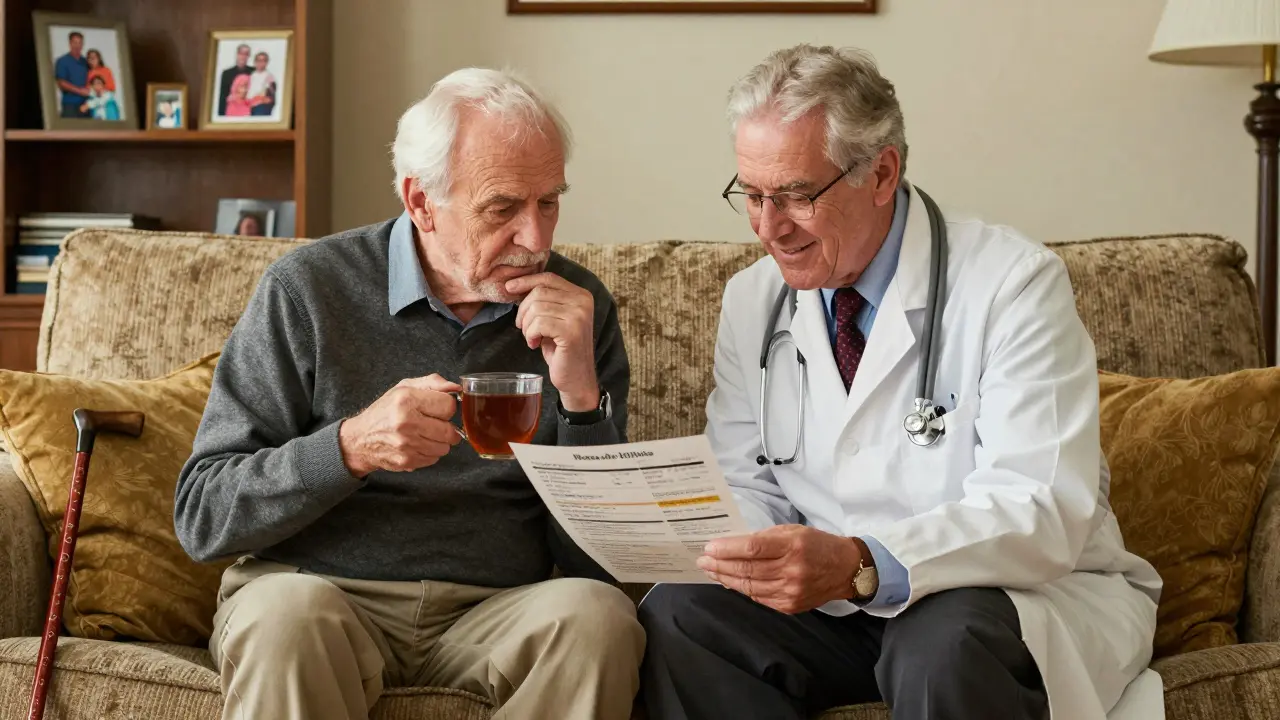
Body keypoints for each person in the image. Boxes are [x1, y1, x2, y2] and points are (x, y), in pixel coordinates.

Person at [638, 44, 1162, 720]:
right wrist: (734, 547)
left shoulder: (1012, 285)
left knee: (941, 645)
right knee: (681, 616)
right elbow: (749, 482)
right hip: (833, 610)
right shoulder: (752, 300)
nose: (769, 228)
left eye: (796, 196)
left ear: (881, 173)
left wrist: (863, 562)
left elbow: (1040, 506)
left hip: (1003, 595)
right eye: (754, 196)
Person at [175, 67, 643, 720]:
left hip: (499, 608)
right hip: (321, 595)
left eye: (549, 202)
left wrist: (581, 399)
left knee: (599, 617)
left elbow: (600, 565)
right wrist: (349, 448)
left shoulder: (578, 306)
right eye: (502, 208)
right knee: (284, 617)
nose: (536, 239)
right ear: (420, 201)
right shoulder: (308, 290)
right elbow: (203, 516)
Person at [54, 31, 89, 118]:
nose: (77, 45)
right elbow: (61, 83)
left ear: (82, 44)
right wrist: (80, 91)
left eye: (80, 43)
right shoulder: (62, 61)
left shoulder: (85, 62)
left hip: (86, 104)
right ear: (70, 43)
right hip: (70, 104)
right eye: (75, 42)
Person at [217, 43, 252, 116]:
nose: (243, 56)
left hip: (248, 110)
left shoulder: (253, 72)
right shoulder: (227, 73)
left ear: (249, 56)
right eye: (241, 53)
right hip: (231, 110)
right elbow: (223, 96)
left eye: (246, 54)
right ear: (237, 54)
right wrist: (221, 116)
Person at [247, 51, 276, 116]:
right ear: (254, 62)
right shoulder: (251, 75)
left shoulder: (269, 77)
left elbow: (270, 96)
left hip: (260, 106)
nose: (260, 63)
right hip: (248, 106)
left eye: (263, 60)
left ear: (266, 62)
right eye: (258, 60)